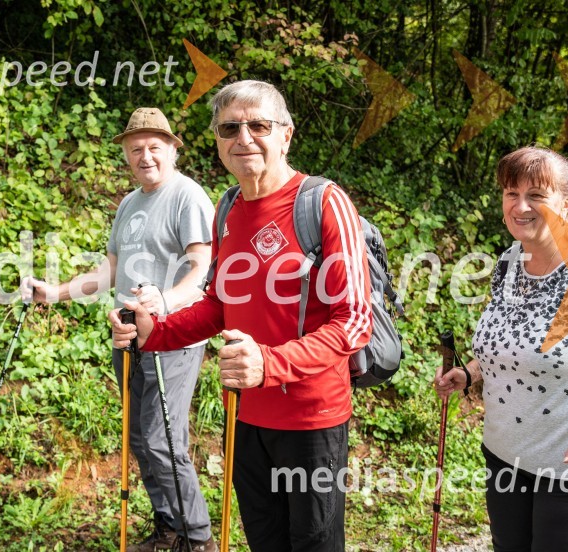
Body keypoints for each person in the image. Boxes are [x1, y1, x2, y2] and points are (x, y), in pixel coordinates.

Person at [111, 80, 372, 551]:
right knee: (263, 539)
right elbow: (218, 304)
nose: (244, 138)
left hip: (311, 419)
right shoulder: (227, 208)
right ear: (217, 141)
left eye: (259, 125)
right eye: (230, 128)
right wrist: (155, 332)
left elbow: (353, 320)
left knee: (312, 544)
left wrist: (270, 365)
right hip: (245, 414)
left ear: (286, 135)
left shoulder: (323, 202)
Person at [435, 146, 568, 551]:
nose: (521, 206)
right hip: (508, 457)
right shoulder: (509, 261)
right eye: (511, 193)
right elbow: (513, 341)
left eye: (537, 195)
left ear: (566, 202)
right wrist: (470, 371)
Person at [20, 107, 217, 552]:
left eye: (153, 147)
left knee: (162, 437)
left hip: (175, 336)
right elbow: (111, 270)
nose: (145, 156)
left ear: (171, 150)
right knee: (139, 438)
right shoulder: (129, 203)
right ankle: (169, 527)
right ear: (126, 156)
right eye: (135, 150)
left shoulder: (187, 196)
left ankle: (197, 537)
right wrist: (54, 293)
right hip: (129, 336)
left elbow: (201, 271)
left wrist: (163, 302)